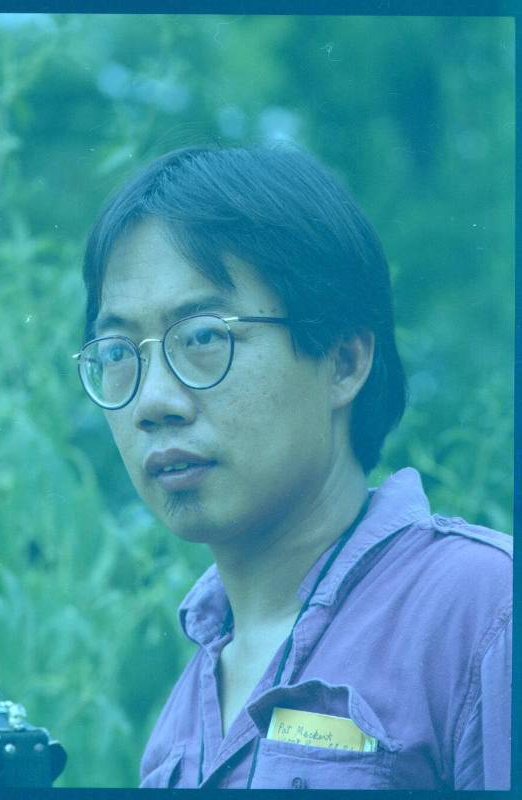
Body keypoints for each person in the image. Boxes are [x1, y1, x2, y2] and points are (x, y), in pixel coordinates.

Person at [72, 145, 512, 790]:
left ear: (343, 361)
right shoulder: (182, 718)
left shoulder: (483, 609)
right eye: (117, 351)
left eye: (202, 338)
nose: (152, 402)